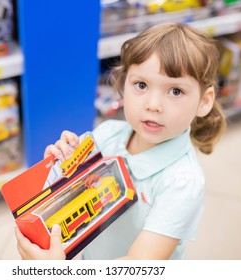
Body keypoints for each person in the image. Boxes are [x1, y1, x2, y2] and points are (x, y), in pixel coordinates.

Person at [15, 22, 226, 260]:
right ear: (123, 86)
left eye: (175, 91)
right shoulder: (108, 134)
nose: (153, 104)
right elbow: (71, 197)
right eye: (141, 85)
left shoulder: (183, 182)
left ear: (204, 101)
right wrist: (58, 168)